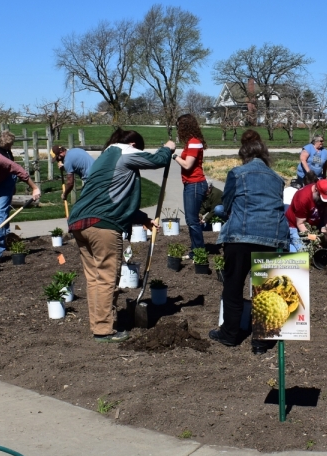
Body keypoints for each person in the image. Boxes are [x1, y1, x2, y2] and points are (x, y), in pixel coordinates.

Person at [68, 128, 174, 342]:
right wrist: (168, 148)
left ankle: (99, 325)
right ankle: (104, 331)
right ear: (134, 145)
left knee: (95, 278)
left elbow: (113, 197)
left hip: (80, 222)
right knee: (107, 277)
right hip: (103, 226)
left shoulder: (103, 160)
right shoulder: (126, 152)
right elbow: (156, 160)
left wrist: (142, 218)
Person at [210, 130, 289, 353]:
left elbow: (226, 205)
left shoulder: (238, 173)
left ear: (243, 155)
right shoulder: (277, 179)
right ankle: (262, 340)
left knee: (233, 285)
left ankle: (230, 333)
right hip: (272, 236)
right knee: (267, 289)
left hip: (242, 236)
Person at [172, 114, 208, 256]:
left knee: (192, 221)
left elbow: (187, 165)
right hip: (191, 184)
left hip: (195, 184)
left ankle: (199, 252)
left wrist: (175, 156)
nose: (178, 130)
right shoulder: (192, 142)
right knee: (191, 219)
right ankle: (195, 250)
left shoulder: (194, 142)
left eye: (179, 126)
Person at [285, 179, 327, 252]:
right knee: (303, 251)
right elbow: (300, 224)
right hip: (295, 225)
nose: (323, 201)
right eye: (321, 198)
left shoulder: (325, 194)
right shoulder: (303, 198)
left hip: (314, 220)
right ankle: (287, 245)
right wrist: (313, 238)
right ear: (316, 190)